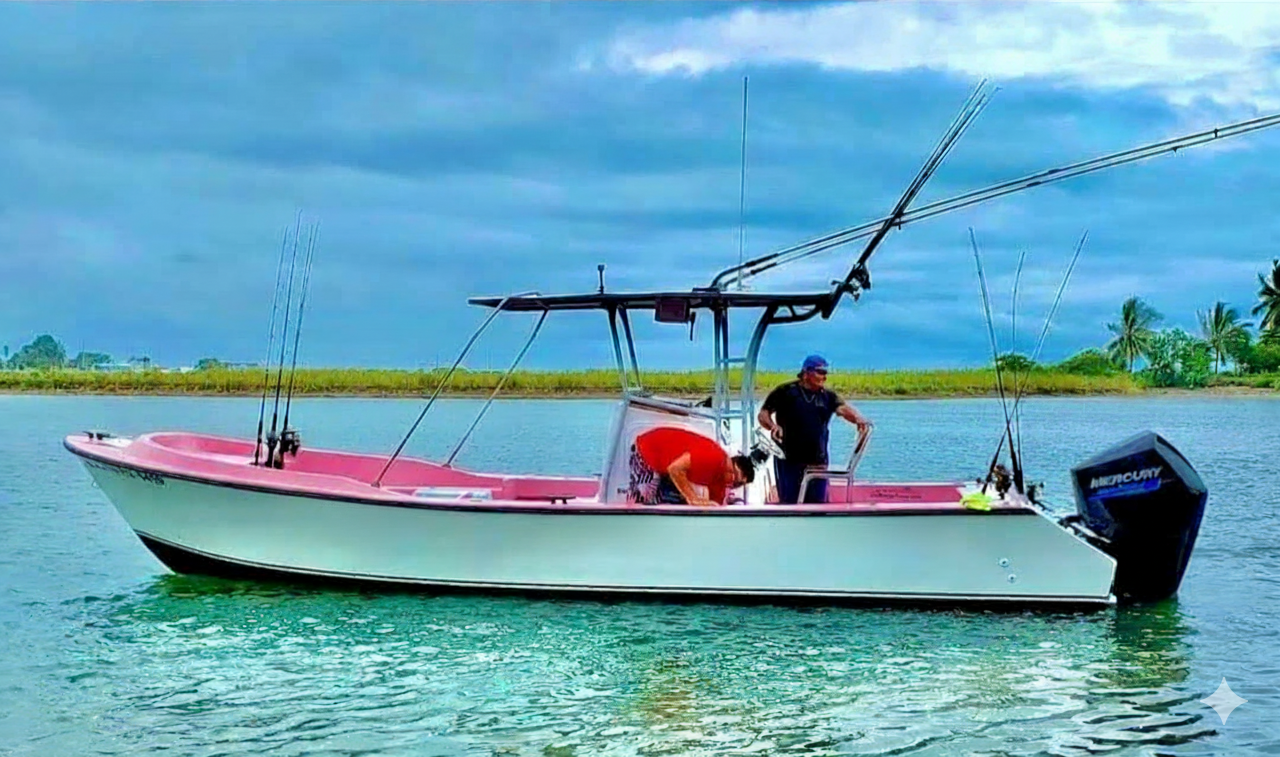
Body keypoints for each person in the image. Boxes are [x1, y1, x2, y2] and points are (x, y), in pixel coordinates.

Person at [757, 354, 871, 504]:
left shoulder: (827, 396)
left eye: (825, 373)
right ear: (806, 373)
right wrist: (772, 426)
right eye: (820, 372)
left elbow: (843, 409)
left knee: (817, 502)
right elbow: (763, 414)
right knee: (790, 501)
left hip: (817, 460)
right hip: (789, 460)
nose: (824, 377)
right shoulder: (785, 391)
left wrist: (858, 418)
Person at [628, 426, 755, 507]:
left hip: (665, 467)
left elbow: (717, 506)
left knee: (674, 502)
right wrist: (693, 498)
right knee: (648, 502)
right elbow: (675, 469)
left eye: (738, 484)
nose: (733, 483)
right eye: (735, 478)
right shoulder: (713, 457)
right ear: (731, 466)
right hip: (647, 452)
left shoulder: (720, 480)